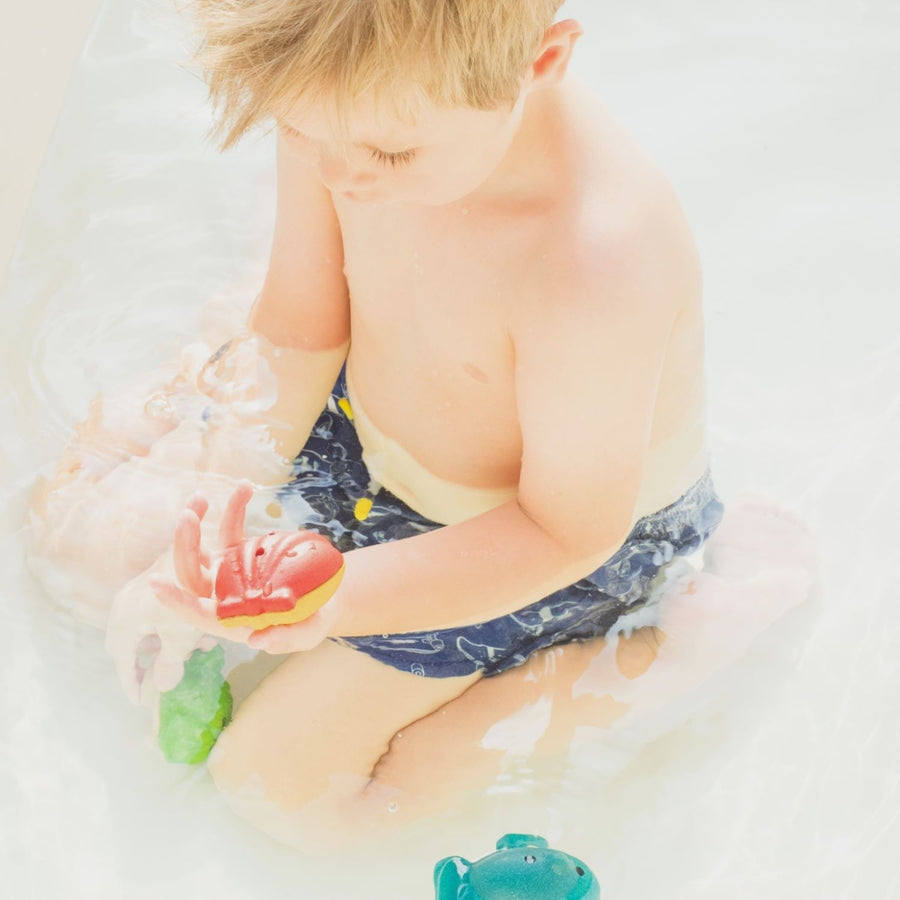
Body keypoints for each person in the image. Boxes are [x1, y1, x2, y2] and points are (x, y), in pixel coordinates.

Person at [27, 0, 815, 851]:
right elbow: (303, 325)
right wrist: (219, 499)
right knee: (72, 542)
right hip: (362, 429)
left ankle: (669, 655)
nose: (340, 176)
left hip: (537, 544)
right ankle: (223, 334)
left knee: (281, 794)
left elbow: (562, 531)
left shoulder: (594, 257)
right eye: (300, 132)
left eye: (391, 153)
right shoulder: (346, 105)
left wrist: (333, 605)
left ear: (540, 63)